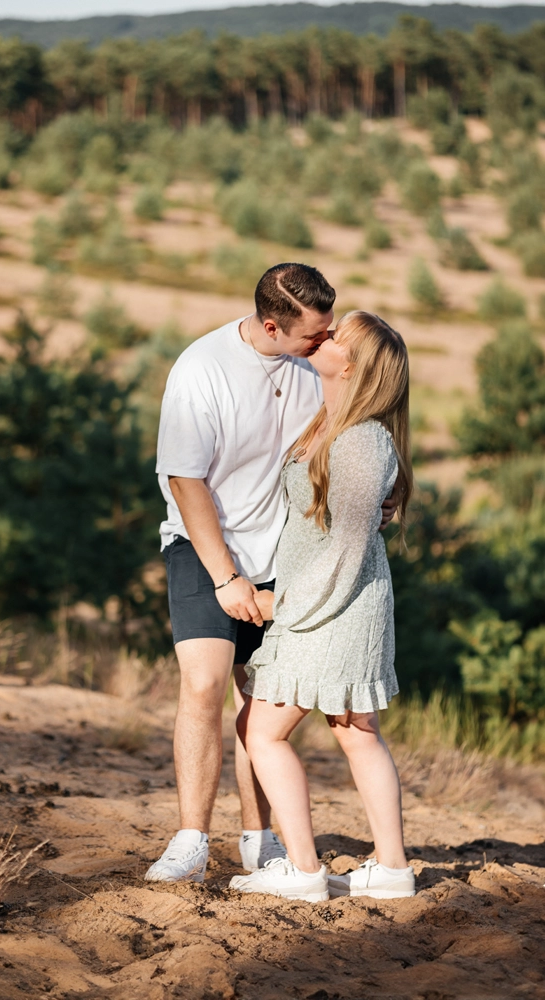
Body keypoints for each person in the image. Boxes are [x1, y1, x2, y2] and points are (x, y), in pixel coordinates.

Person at [144, 266, 398, 885]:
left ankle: (260, 842)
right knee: (203, 685)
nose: (325, 342)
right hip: (209, 550)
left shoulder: (318, 368)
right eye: (315, 336)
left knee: (259, 704)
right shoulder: (200, 369)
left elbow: (357, 444)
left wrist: (381, 494)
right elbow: (185, 478)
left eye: (330, 332)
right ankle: (190, 839)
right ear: (271, 326)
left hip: (287, 564)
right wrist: (227, 578)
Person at [231, 310, 415, 903]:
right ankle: (390, 869)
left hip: (335, 606)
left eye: (337, 335)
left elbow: (346, 550)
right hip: (327, 600)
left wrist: (283, 606)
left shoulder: (361, 440)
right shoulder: (331, 422)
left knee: (264, 731)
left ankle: (306, 871)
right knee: (356, 731)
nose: (324, 336)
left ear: (353, 364)